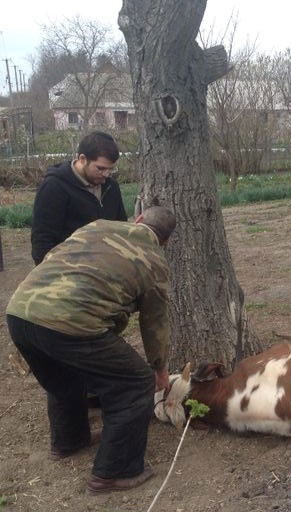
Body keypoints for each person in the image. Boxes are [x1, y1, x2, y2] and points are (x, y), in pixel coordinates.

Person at [6, 206, 176, 494]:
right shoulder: (155, 263)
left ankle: (68, 442)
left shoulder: (97, 226)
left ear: (137, 220)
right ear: (165, 241)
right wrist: (159, 369)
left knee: (64, 377)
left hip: (20, 312)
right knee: (135, 383)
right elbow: (154, 323)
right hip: (70, 322)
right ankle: (115, 472)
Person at [31, 131, 127, 265]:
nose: (106, 174)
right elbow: (42, 241)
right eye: (100, 168)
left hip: (106, 269)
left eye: (111, 169)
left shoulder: (112, 187)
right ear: (83, 159)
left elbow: (121, 227)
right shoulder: (54, 187)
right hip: (68, 271)